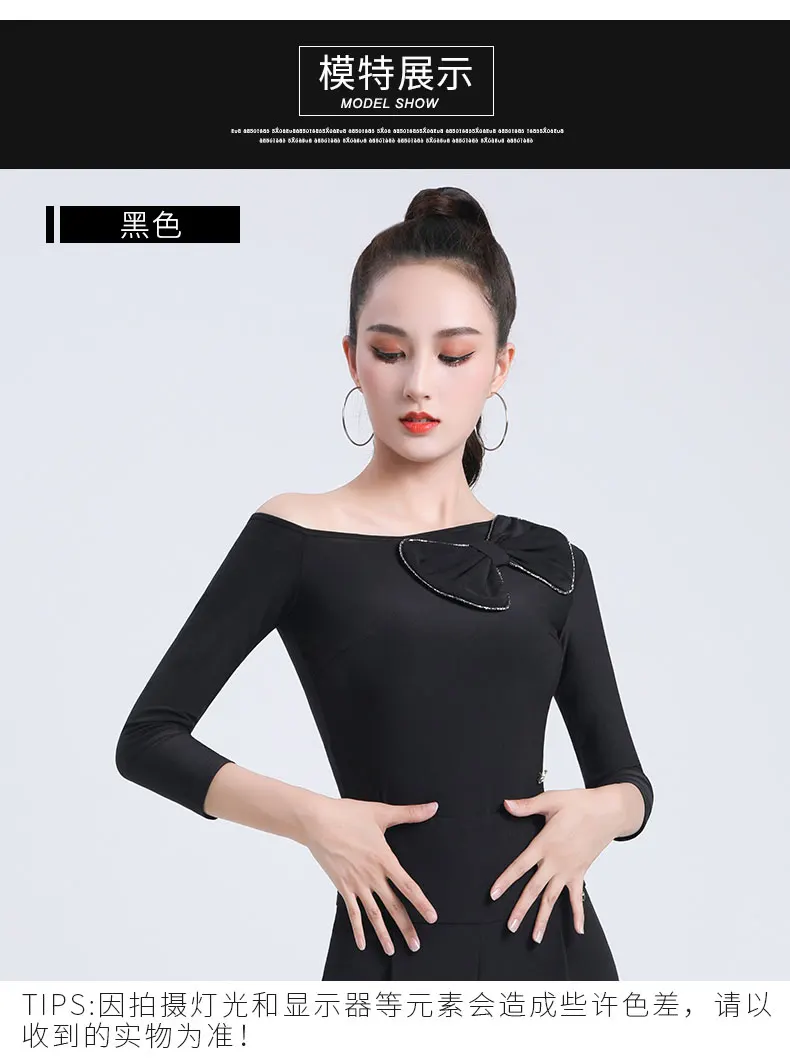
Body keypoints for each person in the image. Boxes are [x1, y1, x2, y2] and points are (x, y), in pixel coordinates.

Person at [115, 185, 654, 981]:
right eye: (391, 351)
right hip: (393, 951)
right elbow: (149, 739)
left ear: (500, 366)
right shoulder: (297, 535)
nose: (418, 385)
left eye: (454, 354)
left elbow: (628, 780)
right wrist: (316, 820)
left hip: (559, 956)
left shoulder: (554, 560)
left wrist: (607, 812)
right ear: (352, 358)